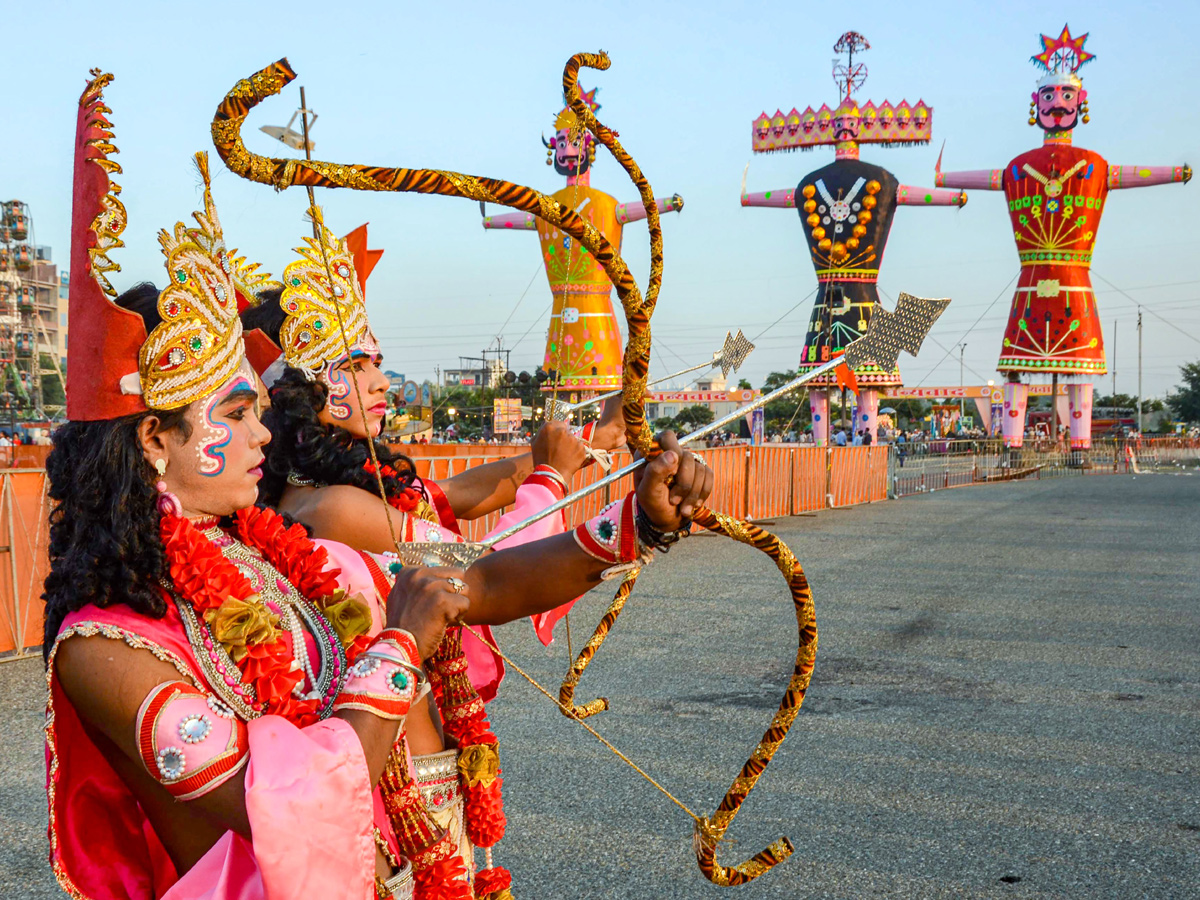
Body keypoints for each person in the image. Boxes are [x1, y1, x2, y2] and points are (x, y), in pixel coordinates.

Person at [46, 75, 712, 900]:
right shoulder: (106, 644)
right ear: (154, 438)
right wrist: (399, 648)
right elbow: (287, 811)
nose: (258, 434)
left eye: (258, 413)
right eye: (234, 413)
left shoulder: (285, 555)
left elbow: (475, 576)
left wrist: (633, 523)